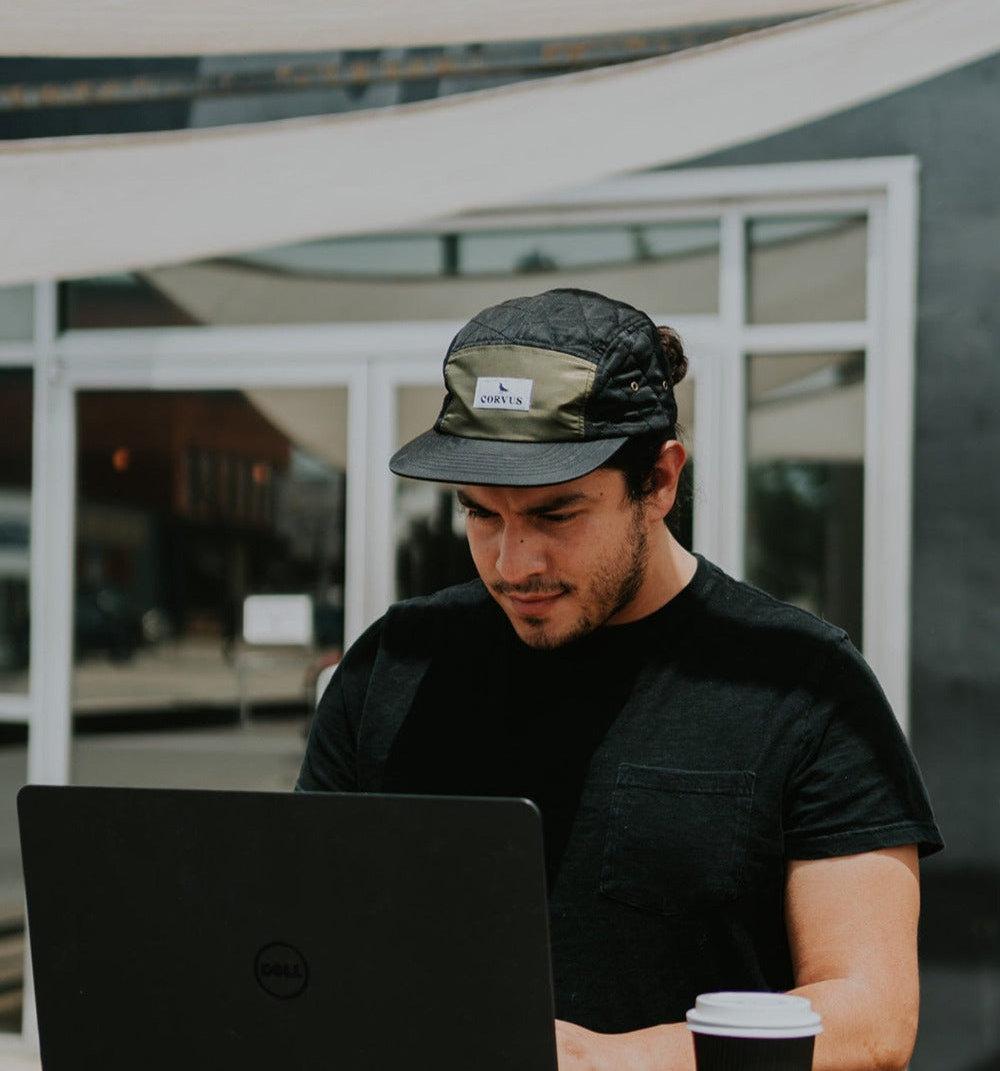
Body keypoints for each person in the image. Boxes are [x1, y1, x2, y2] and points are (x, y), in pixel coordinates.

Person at [297, 287, 943, 1071]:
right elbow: (305, 947)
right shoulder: (395, 667)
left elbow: (871, 1018)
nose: (514, 563)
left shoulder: (803, 685)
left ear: (661, 482)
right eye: (481, 515)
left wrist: (617, 1061)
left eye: (556, 516)